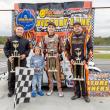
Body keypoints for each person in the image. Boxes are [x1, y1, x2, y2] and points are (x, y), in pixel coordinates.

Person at [65, 22, 93, 102]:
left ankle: (85, 95)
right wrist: (70, 59)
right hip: (74, 62)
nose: (77, 28)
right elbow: (66, 50)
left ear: (81, 28)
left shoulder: (87, 37)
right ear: (73, 28)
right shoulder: (69, 37)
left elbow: (90, 49)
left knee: (83, 79)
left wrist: (86, 60)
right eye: (75, 27)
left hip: (83, 62)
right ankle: (77, 94)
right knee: (75, 79)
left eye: (78, 26)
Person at [4, 25, 30, 97]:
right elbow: (6, 49)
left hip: (22, 61)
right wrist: (9, 56)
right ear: (15, 30)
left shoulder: (26, 40)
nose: (20, 31)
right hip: (12, 60)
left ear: (23, 31)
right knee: (11, 76)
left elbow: (28, 49)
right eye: (18, 29)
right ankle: (11, 90)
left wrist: (25, 55)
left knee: (21, 75)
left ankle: (19, 90)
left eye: (21, 29)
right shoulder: (9, 39)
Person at [42, 22, 64, 97]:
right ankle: (50, 89)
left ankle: (59, 90)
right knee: (49, 74)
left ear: (54, 29)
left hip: (56, 57)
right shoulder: (44, 37)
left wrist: (59, 53)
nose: (51, 28)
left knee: (57, 74)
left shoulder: (58, 37)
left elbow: (62, 47)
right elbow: (42, 48)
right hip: (48, 58)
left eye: (52, 27)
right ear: (47, 29)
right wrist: (45, 53)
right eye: (49, 27)